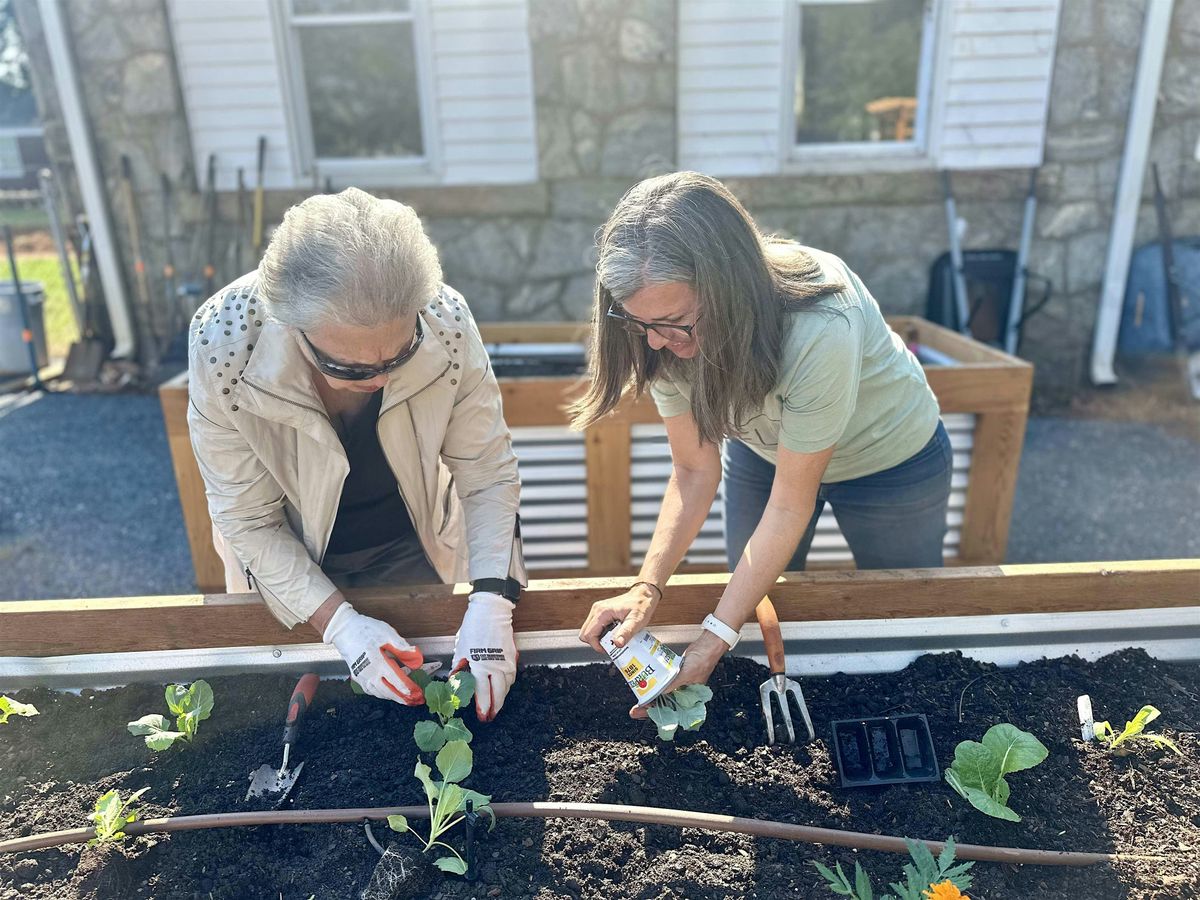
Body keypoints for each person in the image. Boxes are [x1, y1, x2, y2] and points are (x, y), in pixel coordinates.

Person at [573, 172, 951, 710]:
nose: (656, 341)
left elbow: (792, 500)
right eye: (641, 325)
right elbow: (694, 472)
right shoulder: (657, 335)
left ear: (730, 287)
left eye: (675, 321)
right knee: (754, 599)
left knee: (906, 611)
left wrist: (713, 638)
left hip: (890, 459)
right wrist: (647, 586)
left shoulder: (821, 320)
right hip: (768, 454)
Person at [187, 188, 525, 720]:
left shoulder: (446, 322)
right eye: (352, 368)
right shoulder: (227, 345)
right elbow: (248, 519)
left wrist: (491, 601)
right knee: (290, 710)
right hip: (285, 561)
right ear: (293, 329)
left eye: (401, 353)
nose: (383, 379)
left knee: (408, 692)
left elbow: (487, 476)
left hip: (410, 544)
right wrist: (338, 624)